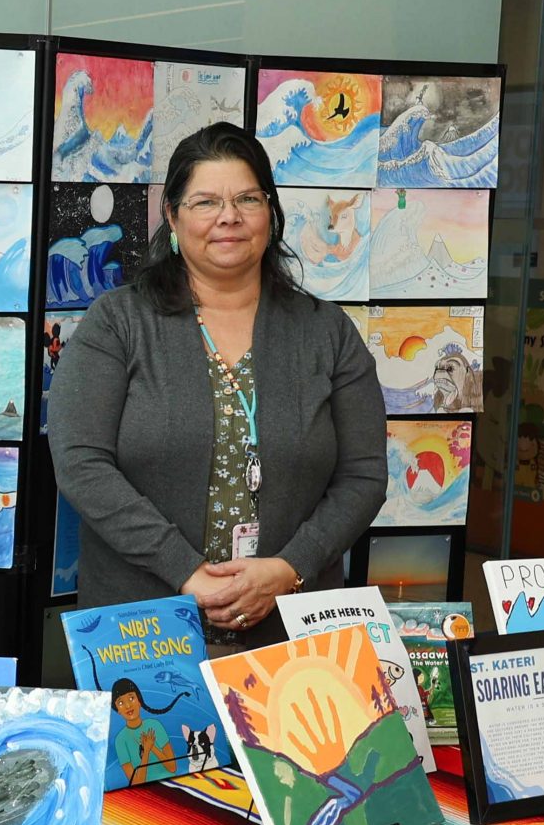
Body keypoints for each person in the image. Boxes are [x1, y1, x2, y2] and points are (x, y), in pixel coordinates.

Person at [47, 122, 385, 651]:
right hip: (145, 629)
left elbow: (364, 476)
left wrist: (289, 568)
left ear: (270, 212)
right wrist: (185, 570)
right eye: (205, 202)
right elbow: (80, 463)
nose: (229, 216)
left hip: (293, 629)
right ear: (172, 216)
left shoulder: (327, 332)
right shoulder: (118, 323)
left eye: (247, 199)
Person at [108, 678, 179, 784]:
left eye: (131, 698)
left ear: (139, 701)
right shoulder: (120, 740)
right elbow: (135, 782)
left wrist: (153, 747)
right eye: (121, 702)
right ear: (117, 710)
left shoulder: (155, 725)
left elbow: (173, 768)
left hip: (172, 782)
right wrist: (146, 752)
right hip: (144, 789)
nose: (128, 706)